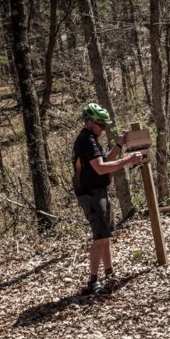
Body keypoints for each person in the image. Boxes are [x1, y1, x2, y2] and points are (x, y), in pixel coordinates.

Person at [72, 103, 149, 295]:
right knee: (100, 237)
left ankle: (109, 272)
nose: (103, 129)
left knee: (105, 234)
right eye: (101, 125)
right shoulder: (86, 140)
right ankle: (92, 281)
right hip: (91, 194)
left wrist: (119, 145)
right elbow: (100, 168)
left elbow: (104, 160)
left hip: (98, 192)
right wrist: (127, 161)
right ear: (89, 122)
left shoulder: (90, 138)